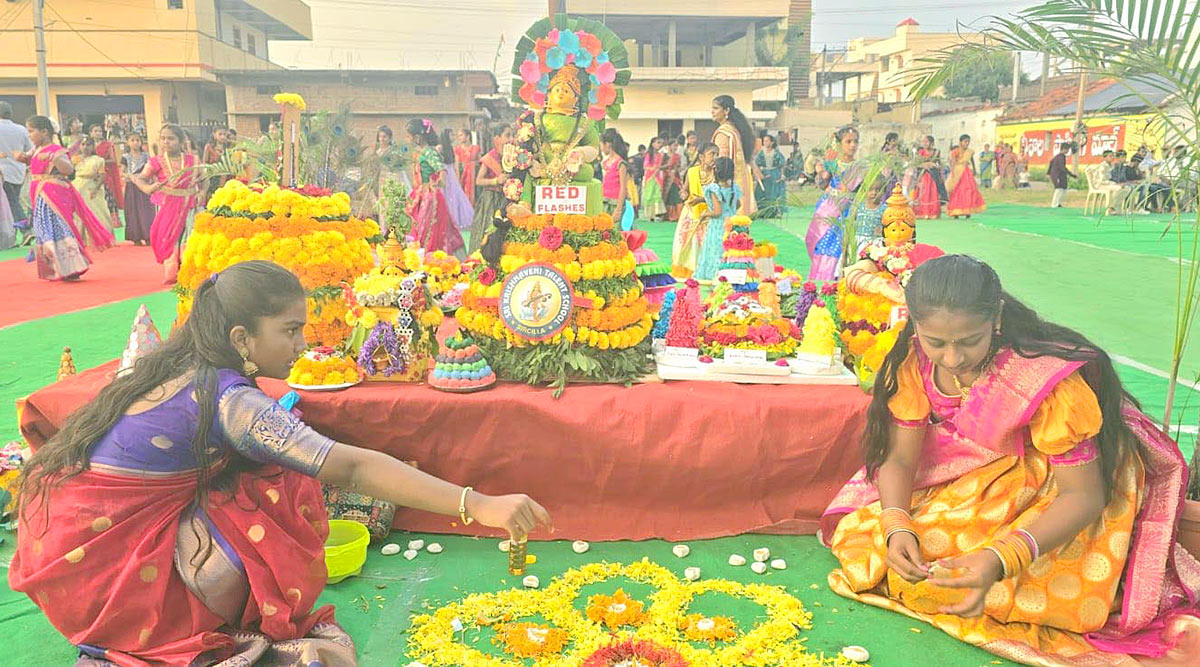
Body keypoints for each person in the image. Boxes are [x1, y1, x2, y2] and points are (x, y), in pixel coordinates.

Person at [9, 260, 553, 666]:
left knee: (267, 471)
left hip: (70, 545)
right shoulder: (232, 401)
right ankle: (173, 621)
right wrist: (476, 503)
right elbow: (352, 469)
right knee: (283, 486)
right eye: (290, 330)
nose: (303, 341)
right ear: (241, 338)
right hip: (108, 570)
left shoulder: (187, 363)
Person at [822, 254, 1200, 665]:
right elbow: (898, 461)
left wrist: (1000, 559)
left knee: (973, 581)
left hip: (1061, 484)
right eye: (936, 342)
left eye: (969, 341)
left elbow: (1084, 496)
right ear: (914, 322)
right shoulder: (913, 360)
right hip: (984, 471)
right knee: (880, 546)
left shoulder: (1039, 377)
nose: (951, 359)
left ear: (995, 318)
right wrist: (897, 525)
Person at [11, 115, 114, 281]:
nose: (29, 135)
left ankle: (72, 267)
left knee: (58, 226)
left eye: (31, 131)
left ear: (44, 132)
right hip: (40, 193)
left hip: (53, 194)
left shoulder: (55, 150)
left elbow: (67, 170)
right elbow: (29, 160)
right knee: (44, 229)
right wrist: (19, 157)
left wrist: (54, 158)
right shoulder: (36, 149)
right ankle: (56, 268)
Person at [136, 124, 201, 285]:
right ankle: (171, 273)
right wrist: (148, 188)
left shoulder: (193, 161)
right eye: (163, 138)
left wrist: (202, 192)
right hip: (167, 205)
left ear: (181, 141)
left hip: (190, 204)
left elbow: (204, 180)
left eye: (171, 138)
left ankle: (188, 271)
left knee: (189, 236)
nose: (166, 142)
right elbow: (140, 179)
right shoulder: (155, 162)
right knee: (169, 237)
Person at [806, 126, 866, 281]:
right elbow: (821, 184)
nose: (853, 145)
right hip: (829, 209)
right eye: (848, 142)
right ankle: (822, 281)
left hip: (849, 211)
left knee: (844, 247)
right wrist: (820, 169)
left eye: (855, 142)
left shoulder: (860, 167)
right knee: (825, 243)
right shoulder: (832, 164)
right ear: (839, 144)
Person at [405, 118, 468, 258]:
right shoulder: (423, 152)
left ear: (417, 137)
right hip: (422, 194)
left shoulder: (428, 152)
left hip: (430, 198)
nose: (407, 139)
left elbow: (441, 168)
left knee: (429, 230)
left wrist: (440, 179)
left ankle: (432, 259)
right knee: (422, 228)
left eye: (409, 136)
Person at [671, 142, 718, 278]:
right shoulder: (692, 172)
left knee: (706, 242)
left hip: (710, 213)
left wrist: (702, 199)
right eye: (712, 154)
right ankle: (690, 270)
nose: (715, 157)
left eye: (717, 154)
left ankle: (707, 270)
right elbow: (684, 190)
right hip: (692, 213)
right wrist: (684, 194)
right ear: (702, 157)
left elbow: (721, 195)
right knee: (688, 243)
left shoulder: (718, 172)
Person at [693, 156, 741, 281]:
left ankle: (716, 274)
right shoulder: (734, 187)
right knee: (731, 250)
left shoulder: (714, 189)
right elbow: (738, 204)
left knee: (716, 250)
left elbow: (717, 212)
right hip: (732, 223)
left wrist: (705, 214)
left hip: (718, 225)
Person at [470, 123, 514, 253]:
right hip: (491, 200)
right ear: (497, 138)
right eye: (507, 135)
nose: (511, 139)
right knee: (488, 232)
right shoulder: (490, 157)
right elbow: (479, 181)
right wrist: (496, 181)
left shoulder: (513, 157)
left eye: (513, 135)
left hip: (507, 200)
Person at [711, 95, 757, 216]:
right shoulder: (736, 130)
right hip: (741, 182)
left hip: (728, 183)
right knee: (739, 228)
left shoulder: (724, 133)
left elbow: (722, 163)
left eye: (716, 108)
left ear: (726, 111)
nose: (712, 112)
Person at [0, 101, 33, 248]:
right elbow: (29, 150)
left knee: (11, 204)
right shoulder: (21, 129)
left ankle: (26, 230)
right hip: (19, 172)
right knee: (12, 203)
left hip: (3, 173)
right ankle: (12, 235)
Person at [74, 136, 119, 241]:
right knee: (78, 215)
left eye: (88, 145)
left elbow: (102, 176)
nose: (85, 147)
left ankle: (100, 238)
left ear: (93, 146)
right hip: (77, 187)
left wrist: (96, 188)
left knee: (98, 212)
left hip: (92, 189)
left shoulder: (99, 160)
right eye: (83, 144)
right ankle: (82, 239)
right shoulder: (75, 159)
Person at [121, 133, 155, 246]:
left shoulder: (146, 156)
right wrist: (130, 176)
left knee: (146, 211)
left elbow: (151, 170)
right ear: (128, 142)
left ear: (141, 142)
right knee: (133, 211)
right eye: (132, 140)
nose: (135, 142)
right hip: (132, 187)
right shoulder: (125, 157)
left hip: (144, 186)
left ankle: (148, 236)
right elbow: (122, 173)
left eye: (137, 140)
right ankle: (136, 237)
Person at [945, 134, 986, 219]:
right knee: (957, 191)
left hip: (966, 172)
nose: (967, 143)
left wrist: (974, 169)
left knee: (969, 190)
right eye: (965, 142)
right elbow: (952, 162)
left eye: (968, 142)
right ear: (960, 142)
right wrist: (952, 172)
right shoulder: (956, 151)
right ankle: (955, 211)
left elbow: (972, 160)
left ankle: (968, 210)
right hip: (957, 172)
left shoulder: (969, 152)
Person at [90, 123, 125, 221]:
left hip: (106, 174)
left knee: (109, 196)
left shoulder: (107, 145)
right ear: (90, 133)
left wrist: (99, 162)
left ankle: (114, 219)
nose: (98, 133)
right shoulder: (88, 145)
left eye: (100, 131)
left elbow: (113, 160)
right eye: (95, 131)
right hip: (92, 175)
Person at [910, 135, 945, 220]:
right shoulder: (920, 152)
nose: (925, 143)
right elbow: (915, 164)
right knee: (923, 192)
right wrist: (924, 165)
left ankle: (932, 212)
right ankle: (921, 212)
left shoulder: (936, 152)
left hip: (933, 175)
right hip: (923, 175)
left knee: (932, 192)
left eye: (927, 141)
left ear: (932, 143)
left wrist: (935, 166)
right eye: (923, 142)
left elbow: (939, 163)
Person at [600, 128, 631, 225]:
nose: (601, 148)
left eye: (601, 144)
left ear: (608, 144)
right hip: (605, 201)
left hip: (616, 202)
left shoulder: (620, 163)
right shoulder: (605, 162)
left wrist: (618, 209)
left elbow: (623, 187)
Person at [754, 133, 786, 218]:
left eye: (767, 141)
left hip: (775, 174)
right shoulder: (761, 153)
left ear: (771, 142)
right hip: (764, 174)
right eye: (764, 141)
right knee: (763, 193)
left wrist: (782, 174)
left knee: (774, 193)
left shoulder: (776, 152)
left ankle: (775, 212)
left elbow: (782, 164)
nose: (765, 143)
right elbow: (756, 163)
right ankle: (763, 212)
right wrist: (759, 174)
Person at [640, 135, 667, 220]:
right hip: (649, 178)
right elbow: (645, 166)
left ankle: (656, 214)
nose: (660, 145)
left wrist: (656, 169)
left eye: (661, 143)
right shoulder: (648, 155)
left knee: (657, 195)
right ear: (652, 144)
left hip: (657, 178)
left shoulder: (660, 155)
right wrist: (652, 169)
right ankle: (649, 215)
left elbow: (659, 166)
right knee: (649, 195)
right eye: (658, 143)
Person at [454, 128, 481, 206]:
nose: (459, 138)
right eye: (458, 136)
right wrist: (458, 178)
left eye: (461, 135)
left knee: (476, 196)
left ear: (468, 136)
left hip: (474, 177)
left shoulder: (476, 148)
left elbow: (480, 162)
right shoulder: (458, 149)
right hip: (464, 177)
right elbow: (457, 165)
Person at [1048, 142, 1077, 208]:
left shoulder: (1058, 156)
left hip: (1060, 175)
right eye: (1067, 149)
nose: (1068, 151)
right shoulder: (1060, 157)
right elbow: (1062, 168)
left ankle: (1058, 203)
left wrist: (1049, 173)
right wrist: (1071, 174)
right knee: (1058, 189)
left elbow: (1051, 162)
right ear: (1064, 149)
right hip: (1058, 175)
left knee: (1063, 189)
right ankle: (1054, 204)